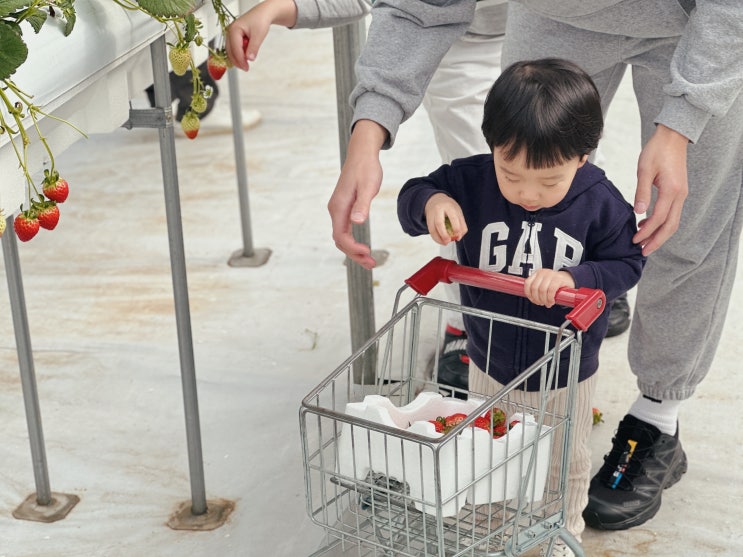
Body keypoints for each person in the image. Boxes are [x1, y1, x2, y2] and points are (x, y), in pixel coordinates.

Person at [322, 0, 743, 542]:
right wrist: (369, 129)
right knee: (529, 173)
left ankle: (657, 416)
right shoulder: (477, 175)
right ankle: (578, 276)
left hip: (698, 22)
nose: (528, 190)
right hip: (557, 17)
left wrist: (684, 120)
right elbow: (421, 5)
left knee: (678, 225)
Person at [397, 58, 645, 555]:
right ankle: (489, 525)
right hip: (488, 357)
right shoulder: (471, 181)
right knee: (488, 449)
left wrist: (576, 278)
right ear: (492, 148)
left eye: (549, 182)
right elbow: (413, 195)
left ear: (582, 156)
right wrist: (432, 205)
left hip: (565, 367)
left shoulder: (600, 203)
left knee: (564, 457)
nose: (528, 194)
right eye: (511, 175)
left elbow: (627, 262)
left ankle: (563, 529)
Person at [226, 0, 510, 390]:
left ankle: (581, 271)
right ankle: (466, 318)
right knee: (484, 187)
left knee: (562, 171)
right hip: (459, 39)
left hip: (570, 29)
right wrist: (279, 7)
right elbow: (410, 9)